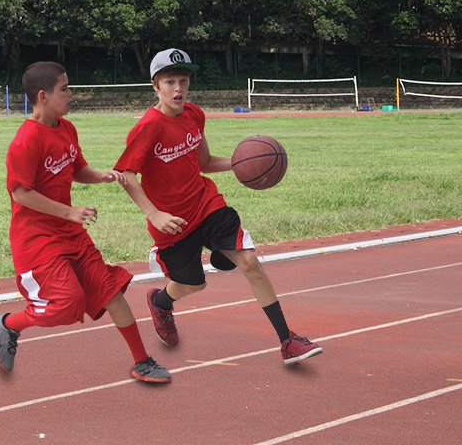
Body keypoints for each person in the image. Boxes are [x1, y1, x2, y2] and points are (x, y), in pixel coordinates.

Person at [113, 48, 322, 366]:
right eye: (170, 82)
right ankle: (160, 302)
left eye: (183, 80)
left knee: (249, 261)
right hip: (172, 223)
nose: (178, 89)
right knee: (192, 283)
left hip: (206, 204)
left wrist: (244, 166)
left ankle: (288, 341)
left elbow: (206, 163)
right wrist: (153, 213)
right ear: (155, 86)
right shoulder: (148, 127)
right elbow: (126, 175)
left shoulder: (195, 115)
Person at [0, 60, 171, 383]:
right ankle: (9, 324)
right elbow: (20, 193)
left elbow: (75, 169)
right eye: (65, 89)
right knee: (65, 304)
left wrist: (100, 176)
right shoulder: (26, 140)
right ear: (43, 96)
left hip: (71, 235)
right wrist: (69, 212)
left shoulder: (67, 129)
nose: (71, 94)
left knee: (110, 291)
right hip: (37, 242)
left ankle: (142, 361)